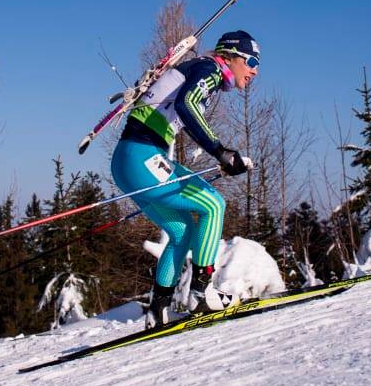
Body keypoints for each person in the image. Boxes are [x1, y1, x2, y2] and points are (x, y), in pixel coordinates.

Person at [111, 30, 261, 328]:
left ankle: (159, 309)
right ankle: (201, 294)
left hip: (131, 159)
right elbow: (186, 105)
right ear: (231, 57)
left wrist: (224, 158)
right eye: (252, 61)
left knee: (181, 230)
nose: (255, 70)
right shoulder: (210, 68)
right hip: (142, 156)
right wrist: (220, 152)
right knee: (213, 204)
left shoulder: (200, 70)